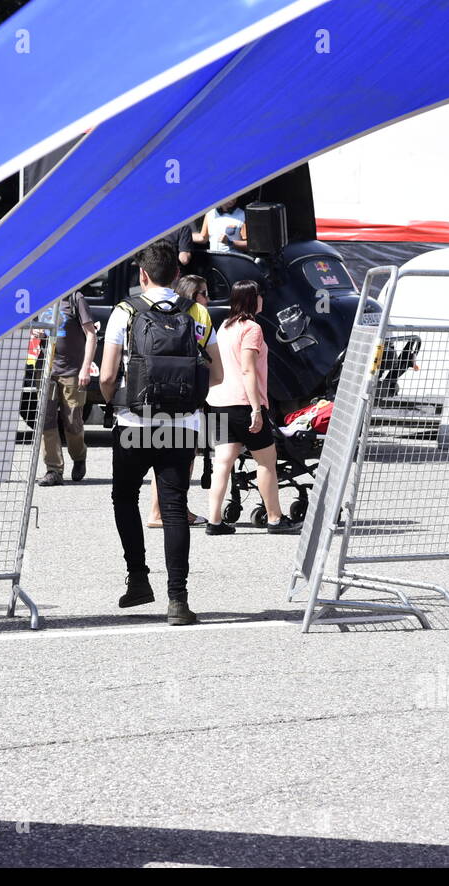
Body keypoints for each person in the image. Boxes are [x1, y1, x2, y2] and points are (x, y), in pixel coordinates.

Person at [99, 241, 223, 625]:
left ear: (143, 274)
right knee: (173, 508)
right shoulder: (198, 311)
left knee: (124, 497)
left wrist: (113, 400)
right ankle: (178, 600)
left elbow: (106, 376)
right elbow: (217, 375)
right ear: (177, 275)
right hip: (182, 425)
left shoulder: (125, 312)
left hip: (134, 423)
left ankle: (138, 579)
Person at [204, 279, 301, 536]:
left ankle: (214, 521)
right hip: (244, 403)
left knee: (223, 462)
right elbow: (248, 369)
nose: (262, 299)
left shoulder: (224, 327)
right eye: (259, 295)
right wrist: (257, 409)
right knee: (267, 461)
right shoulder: (252, 329)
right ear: (251, 298)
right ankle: (274, 518)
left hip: (219, 400)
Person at [146, 274, 210, 529]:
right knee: (185, 458)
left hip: (156, 391)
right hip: (187, 394)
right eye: (204, 293)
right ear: (194, 295)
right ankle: (176, 510)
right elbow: (206, 353)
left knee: (162, 459)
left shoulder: (161, 311)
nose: (208, 298)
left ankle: (155, 512)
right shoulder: (199, 314)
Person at [37, 286, 96, 486]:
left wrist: (86, 368)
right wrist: (37, 329)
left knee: (72, 421)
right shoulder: (43, 296)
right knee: (46, 420)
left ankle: (79, 457)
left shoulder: (75, 298)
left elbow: (91, 335)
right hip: (46, 371)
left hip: (72, 371)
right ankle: (53, 469)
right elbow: (35, 327)